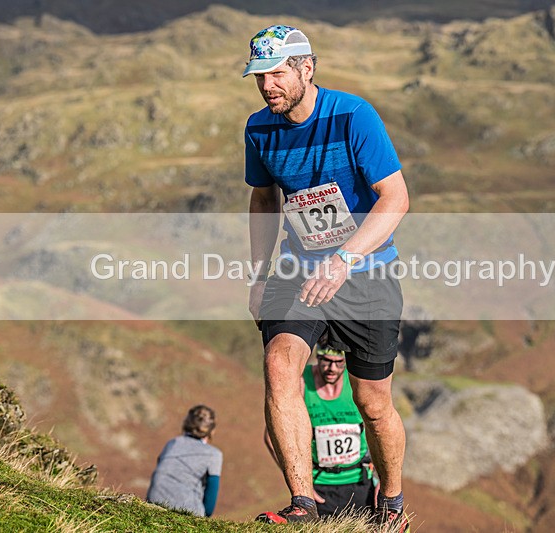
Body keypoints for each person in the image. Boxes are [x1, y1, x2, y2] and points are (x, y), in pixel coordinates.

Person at [242, 24, 410, 531]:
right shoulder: (258, 128)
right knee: (279, 364)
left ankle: (392, 505)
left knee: (372, 403)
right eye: (259, 76)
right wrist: (259, 275)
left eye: (277, 74)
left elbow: (395, 198)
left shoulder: (353, 115)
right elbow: (264, 200)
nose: (267, 85)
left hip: (366, 272)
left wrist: (343, 261)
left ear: (306, 68)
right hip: (297, 269)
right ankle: (303, 503)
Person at [264, 344, 377, 518]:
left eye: (339, 362)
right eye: (326, 361)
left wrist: (383, 481)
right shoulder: (301, 382)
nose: (332, 368)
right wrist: (301, 487)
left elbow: (379, 430)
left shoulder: (357, 381)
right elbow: (272, 437)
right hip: (319, 488)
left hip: (361, 484)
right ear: (317, 357)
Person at [146, 405, 222, 517]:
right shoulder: (214, 454)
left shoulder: (172, 443)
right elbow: (210, 501)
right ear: (212, 430)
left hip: (153, 500)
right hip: (187, 508)